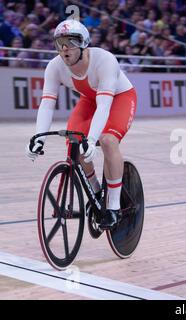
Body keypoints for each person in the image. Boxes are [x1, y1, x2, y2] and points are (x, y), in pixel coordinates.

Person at [26, 19, 137, 230]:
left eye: (70, 42)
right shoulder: (54, 66)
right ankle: (95, 192)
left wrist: (92, 139)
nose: (64, 48)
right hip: (90, 99)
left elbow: (104, 106)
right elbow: (47, 104)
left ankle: (113, 207)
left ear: (84, 43)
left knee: (107, 140)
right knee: (74, 142)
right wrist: (38, 137)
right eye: (59, 43)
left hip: (120, 98)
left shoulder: (104, 60)